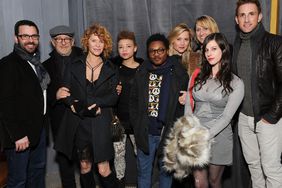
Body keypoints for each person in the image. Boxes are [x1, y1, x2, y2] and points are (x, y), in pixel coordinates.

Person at [54, 23, 119, 188]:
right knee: (85, 166)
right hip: (80, 123)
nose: (97, 45)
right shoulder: (74, 65)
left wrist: (99, 103)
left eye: (101, 41)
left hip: (101, 122)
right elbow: (65, 91)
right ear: (86, 42)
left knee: (103, 169)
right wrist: (72, 104)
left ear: (105, 45)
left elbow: (113, 97)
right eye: (94, 40)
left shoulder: (111, 68)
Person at [232, 0, 282, 187]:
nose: (247, 19)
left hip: (268, 118)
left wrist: (271, 116)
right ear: (237, 19)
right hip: (244, 119)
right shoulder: (236, 45)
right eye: (242, 15)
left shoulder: (275, 43)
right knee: (254, 166)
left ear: (260, 16)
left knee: (271, 168)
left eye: (251, 14)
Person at [185, 33, 244, 188]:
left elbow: (226, 117)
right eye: (206, 50)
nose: (209, 53)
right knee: (199, 183)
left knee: (214, 181)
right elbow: (188, 105)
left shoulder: (236, 83)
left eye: (214, 49)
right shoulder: (196, 76)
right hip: (196, 133)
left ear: (223, 51)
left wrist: (205, 136)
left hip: (219, 135)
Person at [129, 33, 189, 188]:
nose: (156, 54)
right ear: (148, 53)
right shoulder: (142, 72)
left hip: (167, 132)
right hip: (146, 131)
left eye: (160, 50)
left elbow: (183, 105)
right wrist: (137, 125)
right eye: (152, 51)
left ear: (167, 51)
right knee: (143, 172)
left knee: (165, 173)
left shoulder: (178, 72)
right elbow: (133, 101)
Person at [0, 20, 50, 188]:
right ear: (16, 38)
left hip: (38, 129)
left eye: (34, 36)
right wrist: (17, 135)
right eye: (25, 36)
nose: (31, 40)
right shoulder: (7, 64)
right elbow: (5, 104)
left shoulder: (36, 63)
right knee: (18, 180)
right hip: (19, 135)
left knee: (37, 173)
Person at [43, 25, 83, 188]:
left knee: (87, 164)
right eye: (59, 39)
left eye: (67, 39)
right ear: (53, 42)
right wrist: (55, 95)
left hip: (83, 119)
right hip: (60, 121)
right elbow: (41, 96)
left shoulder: (86, 58)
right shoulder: (45, 66)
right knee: (65, 165)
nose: (63, 42)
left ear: (73, 41)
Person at [111, 30, 143, 187]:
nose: (124, 50)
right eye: (121, 47)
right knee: (118, 155)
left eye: (128, 46)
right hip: (118, 121)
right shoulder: (113, 68)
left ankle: (144, 183)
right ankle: (119, 184)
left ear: (135, 48)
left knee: (142, 156)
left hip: (137, 121)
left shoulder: (143, 68)